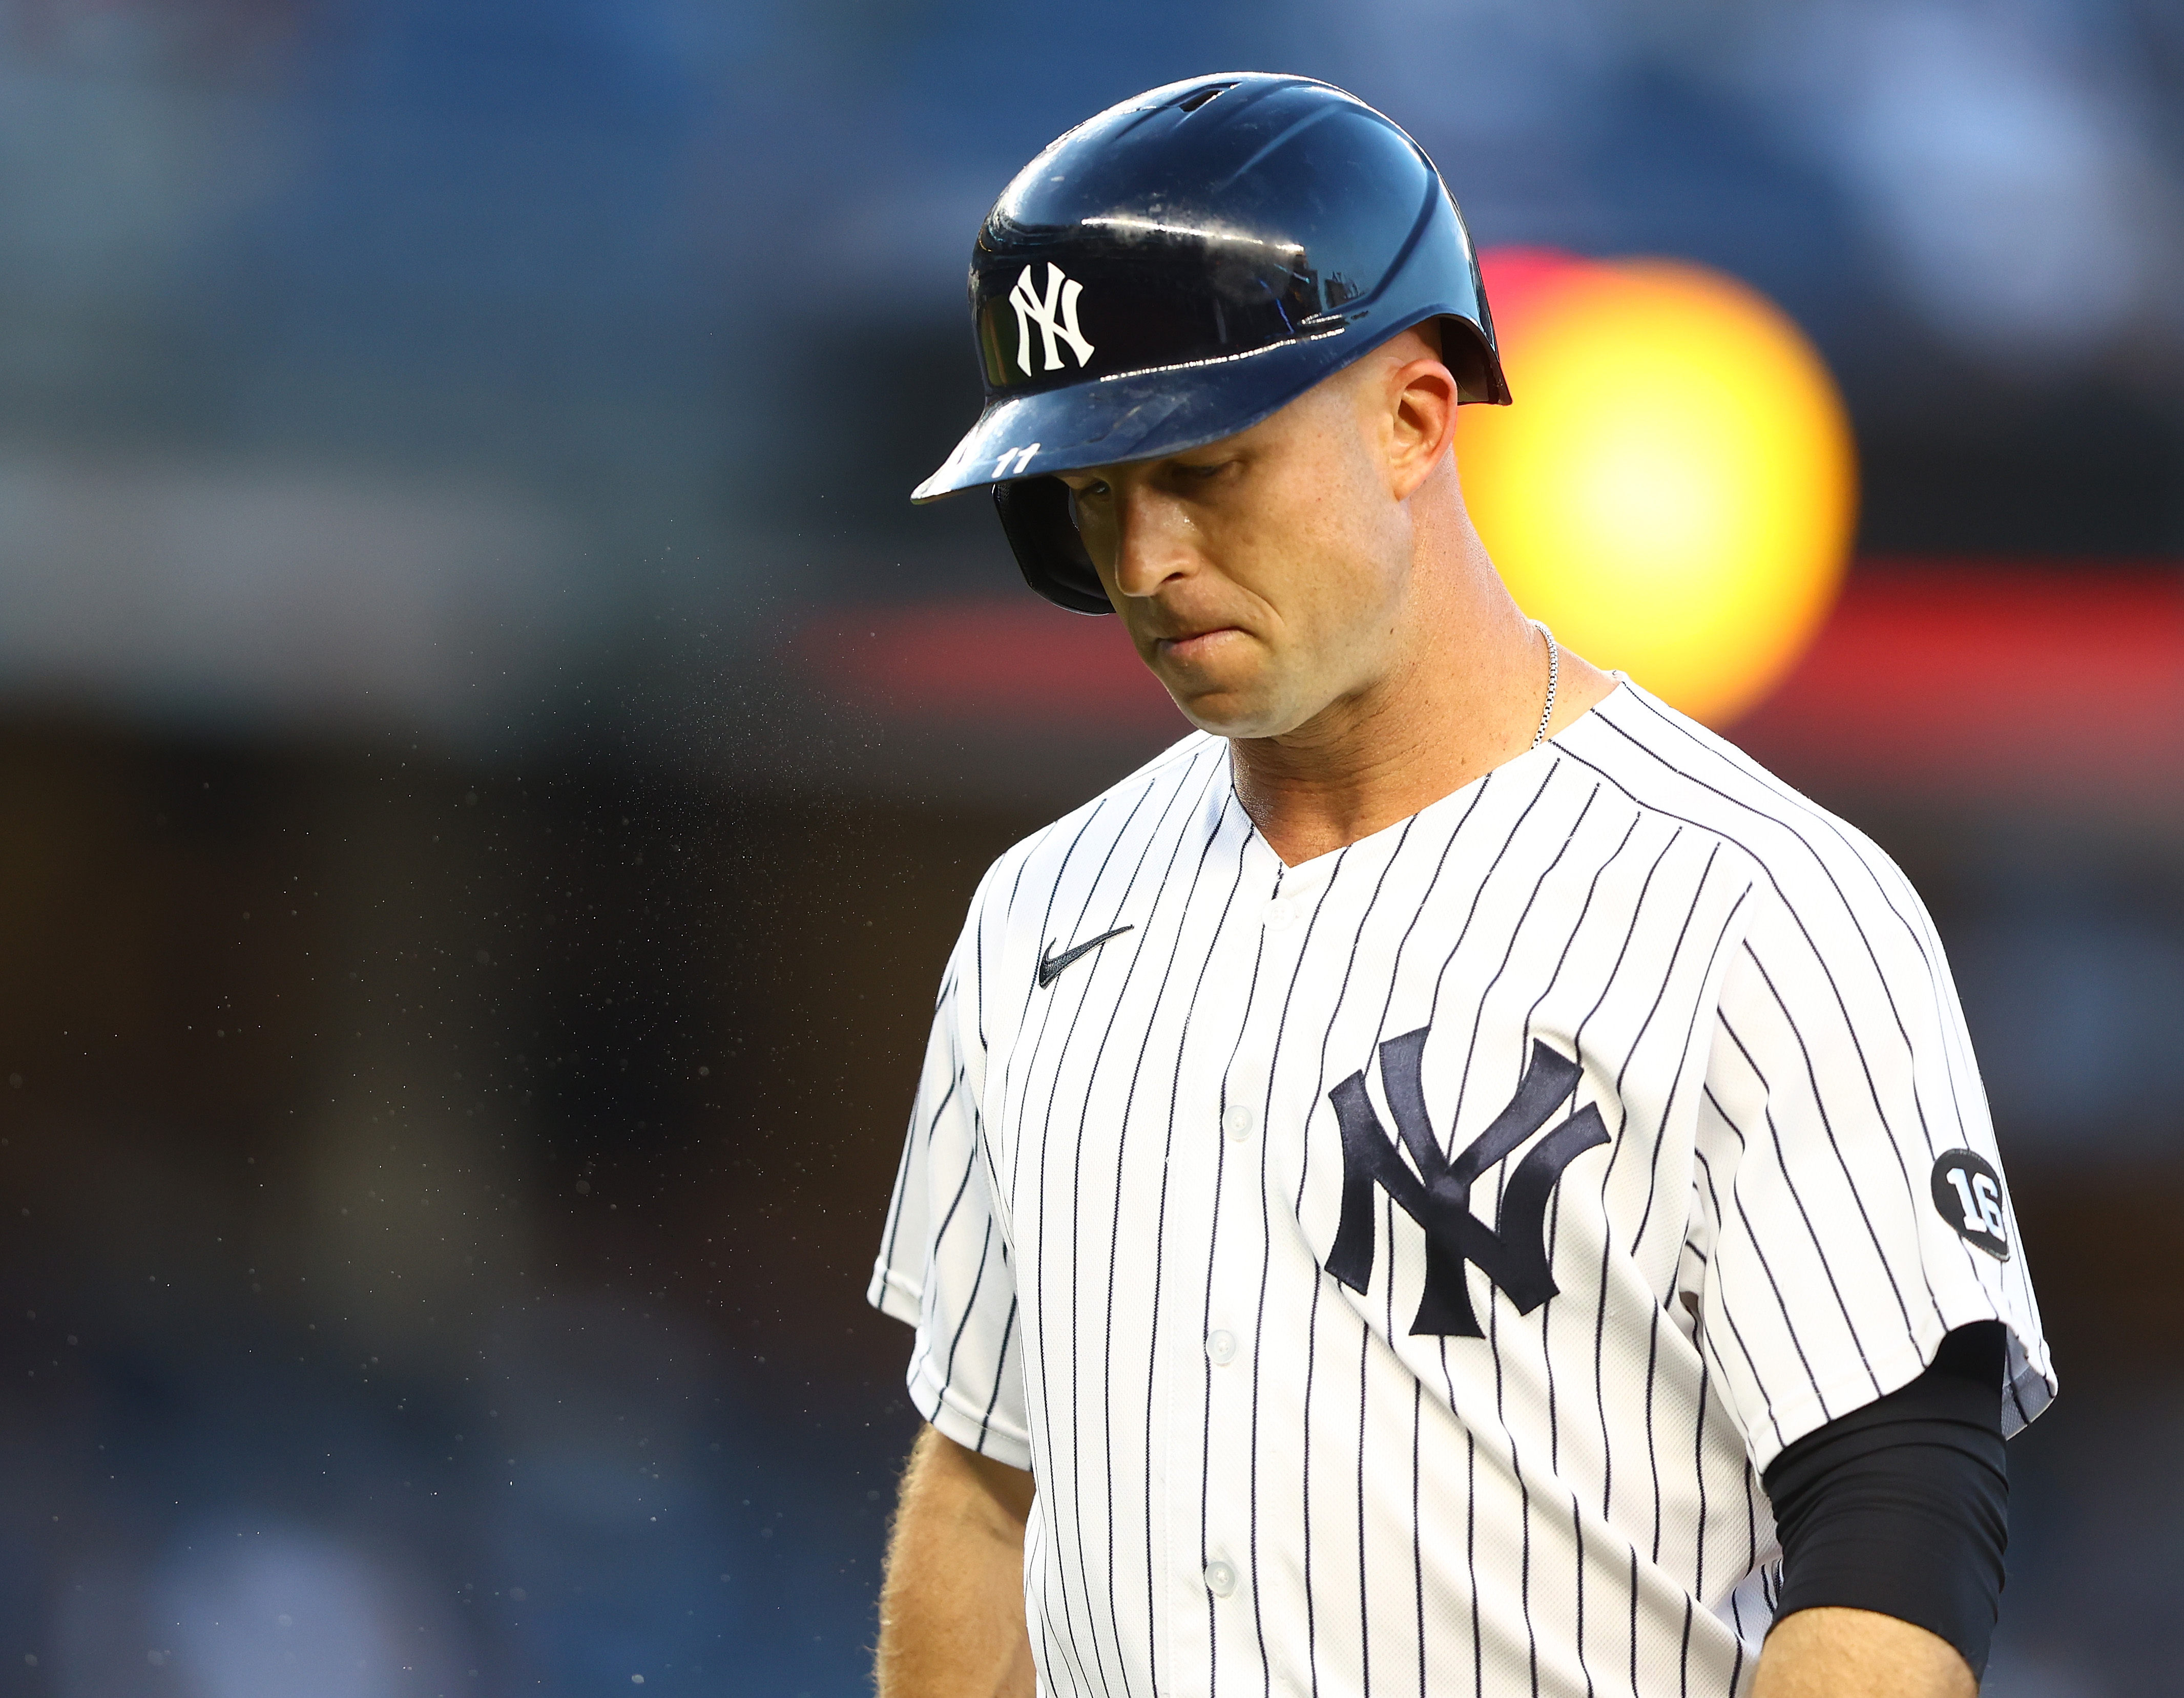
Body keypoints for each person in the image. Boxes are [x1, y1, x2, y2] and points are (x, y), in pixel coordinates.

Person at [867, 74, 2053, 1698]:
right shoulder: (1036, 917)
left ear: (1415, 416)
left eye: (1201, 470)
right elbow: (987, 1484)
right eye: (1091, 494)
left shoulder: (1758, 903)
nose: (1144, 562)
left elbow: (1899, 1529)